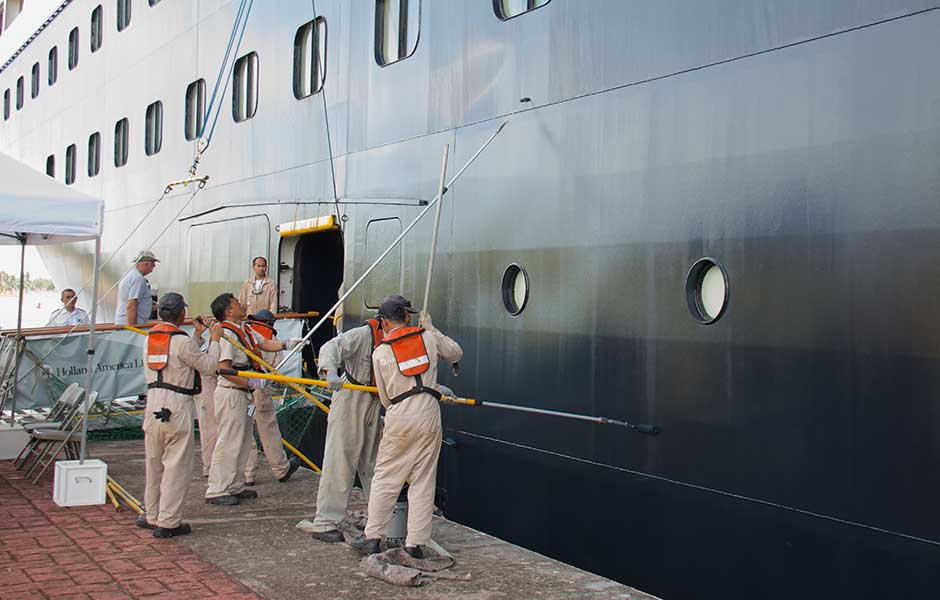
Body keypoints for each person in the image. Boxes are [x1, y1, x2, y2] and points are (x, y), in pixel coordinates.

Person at [351, 295, 462, 558]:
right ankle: (415, 544)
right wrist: (432, 328)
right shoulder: (428, 337)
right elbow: (456, 353)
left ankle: (373, 537)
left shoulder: (381, 352)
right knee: (423, 479)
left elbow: (384, 395)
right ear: (408, 316)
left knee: (387, 478)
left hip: (400, 413)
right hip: (429, 413)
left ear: (385, 323)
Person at [204, 293, 304, 506]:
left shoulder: (245, 329)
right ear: (228, 311)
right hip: (232, 391)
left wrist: (288, 344)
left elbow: (265, 344)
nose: (242, 305)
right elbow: (224, 369)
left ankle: (235, 485)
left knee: (241, 442)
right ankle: (217, 488)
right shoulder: (226, 334)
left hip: (244, 394)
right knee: (229, 441)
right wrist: (252, 383)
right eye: (236, 303)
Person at [138, 292, 221, 538]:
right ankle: (169, 521)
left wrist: (197, 336)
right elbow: (207, 366)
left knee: (154, 464)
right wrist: (214, 340)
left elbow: (179, 357)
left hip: (153, 402)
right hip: (177, 403)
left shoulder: (150, 338)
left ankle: (151, 514)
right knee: (176, 466)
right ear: (181, 314)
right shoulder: (181, 341)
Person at [309, 305, 385, 543]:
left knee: (376, 463)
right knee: (340, 459)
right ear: (385, 319)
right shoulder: (363, 334)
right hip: (350, 398)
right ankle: (325, 522)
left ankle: (380, 521)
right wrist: (331, 371)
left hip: (374, 400)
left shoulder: (394, 338)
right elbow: (330, 346)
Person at [242, 310, 300, 485]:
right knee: (269, 429)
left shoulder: (246, 333)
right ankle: (281, 469)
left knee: (246, 432)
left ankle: (248, 474)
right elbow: (276, 366)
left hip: (243, 385)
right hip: (262, 386)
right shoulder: (270, 338)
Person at [115, 251, 158, 325]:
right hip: (130, 325)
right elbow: (131, 306)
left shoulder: (129, 275)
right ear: (146, 264)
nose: (153, 268)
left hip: (122, 322)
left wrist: (148, 303)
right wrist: (133, 329)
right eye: (153, 265)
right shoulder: (138, 279)